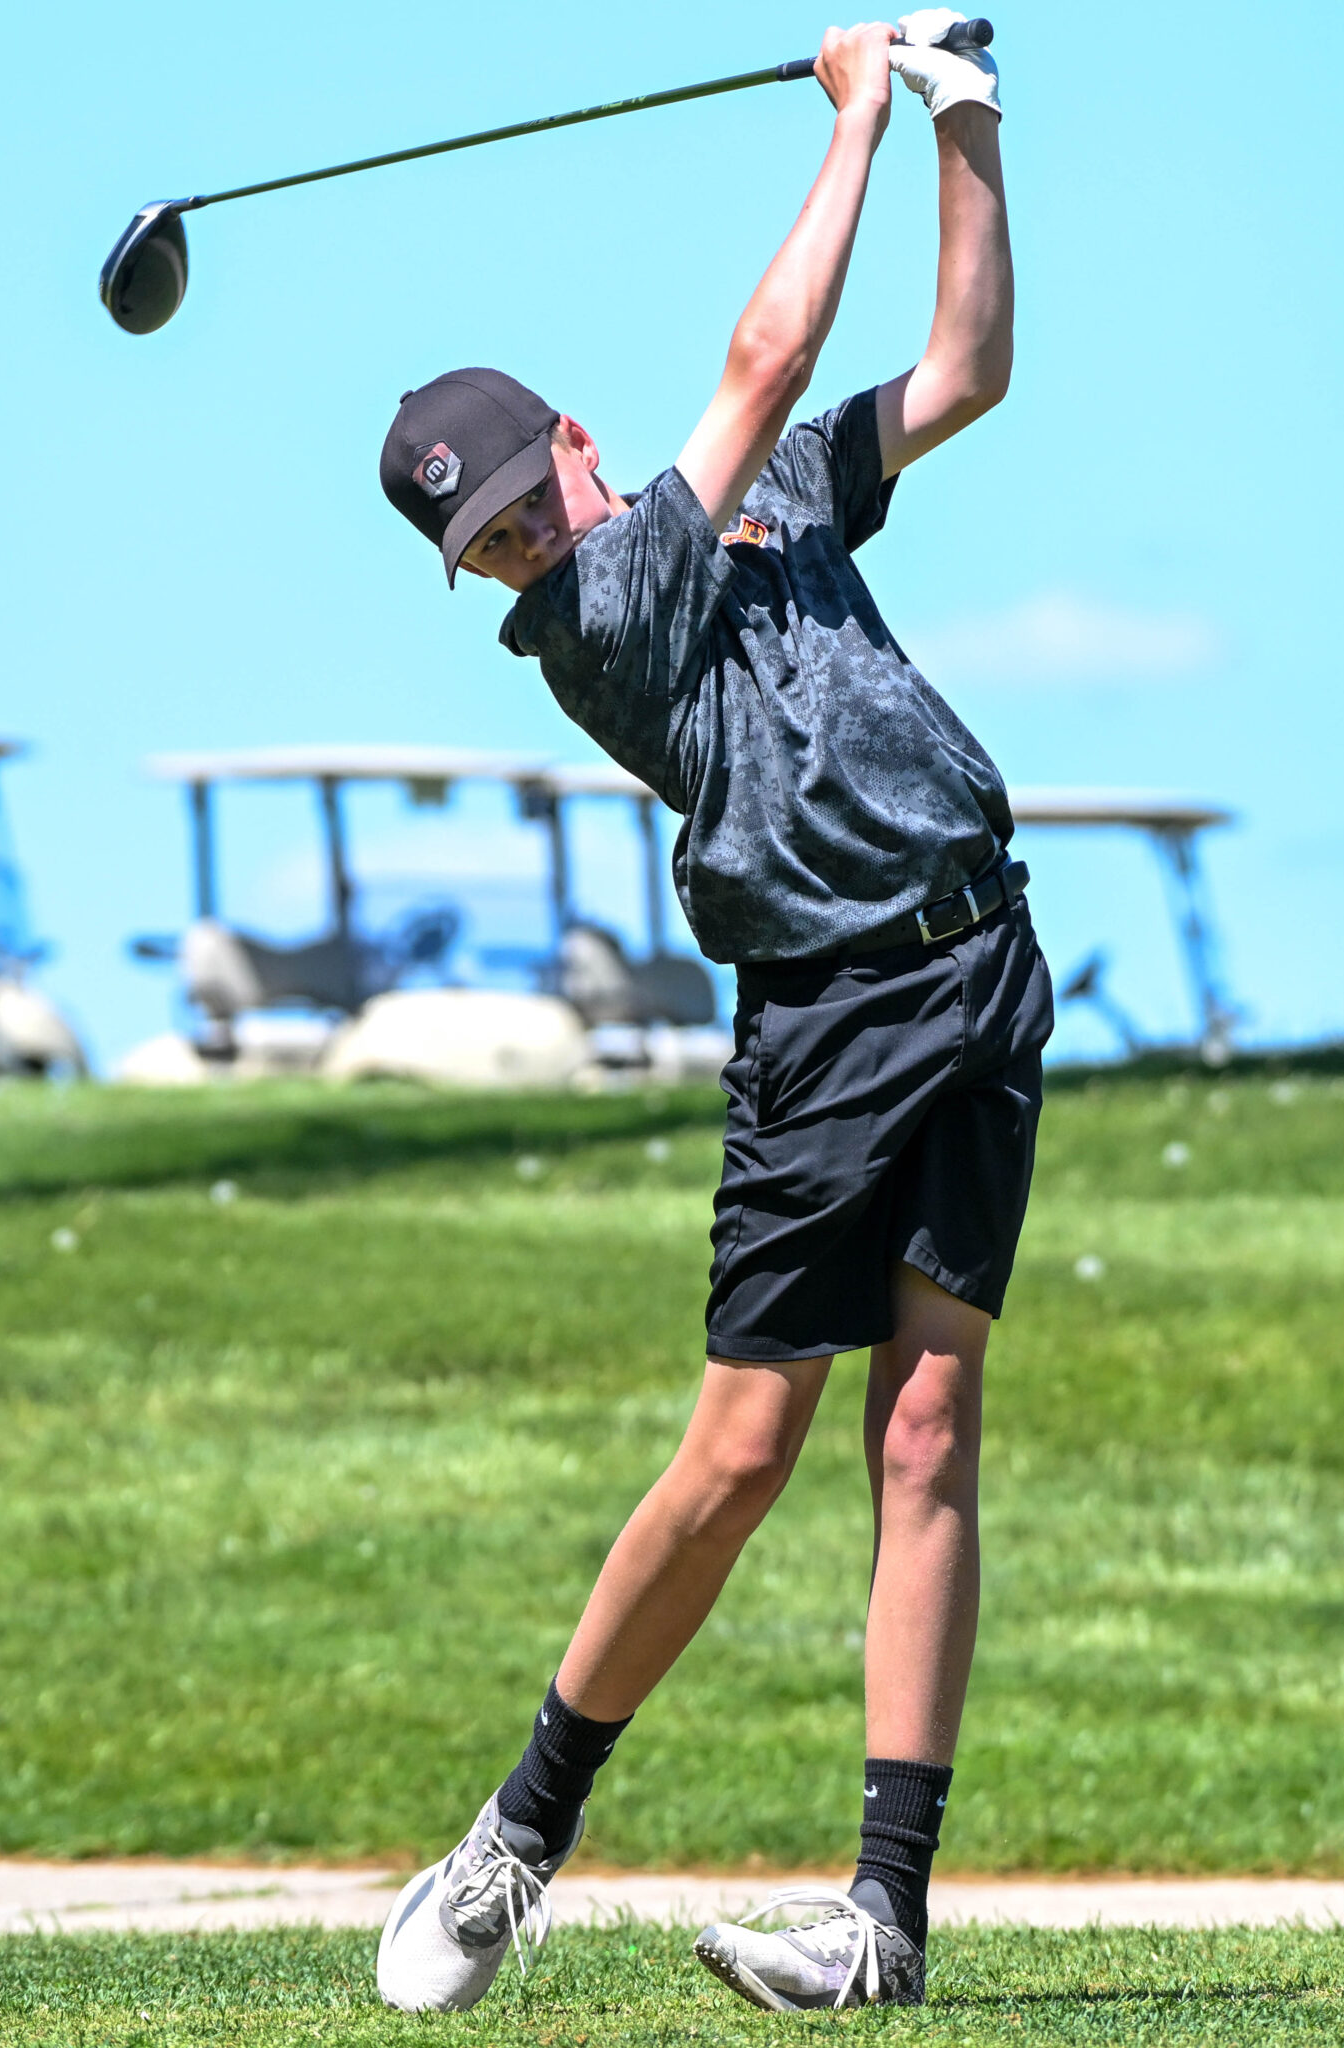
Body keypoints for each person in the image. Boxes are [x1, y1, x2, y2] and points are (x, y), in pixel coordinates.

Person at [370, 12, 1044, 2017]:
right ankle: (521, 1830)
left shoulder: (764, 503)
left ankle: (883, 1917)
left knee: (929, 1428)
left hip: (973, 962)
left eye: (522, 499)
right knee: (742, 1451)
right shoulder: (595, 618)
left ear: (567, 441)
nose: (522, 543)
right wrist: (851, 118)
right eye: (487, 544)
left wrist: (964, 119)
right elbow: (760, 361)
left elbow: (964, 372)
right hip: (822, 1019)